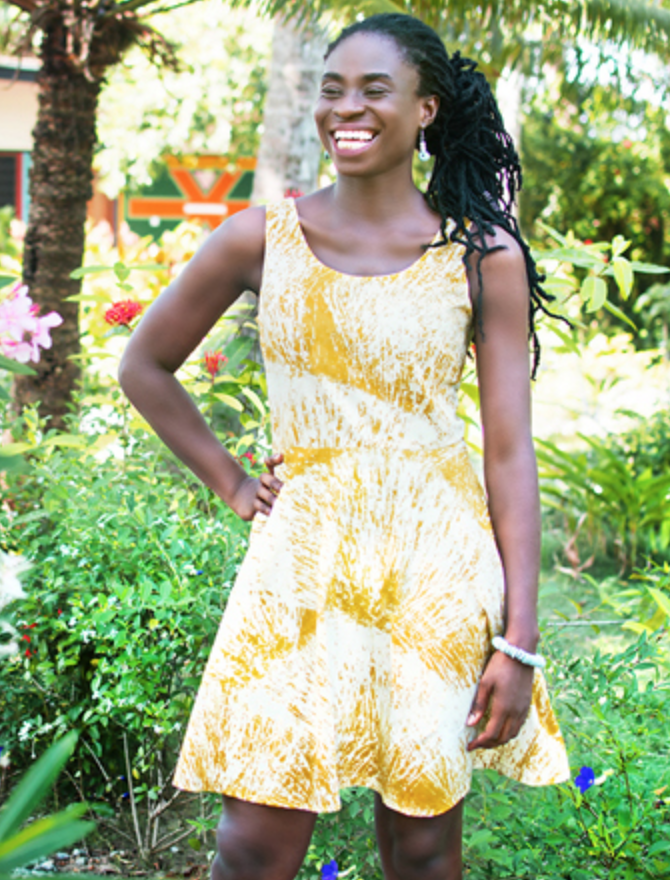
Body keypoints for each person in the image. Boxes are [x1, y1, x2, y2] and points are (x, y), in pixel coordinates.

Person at [119, 12, 570, 880]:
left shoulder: (481, 255)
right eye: (332, 90)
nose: (346, 109)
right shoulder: (260, 238)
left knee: (422, 842)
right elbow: (144, 365)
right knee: (253, 840)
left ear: (426, 109)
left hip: (435, 568)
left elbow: (510, 455)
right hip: (300, 568)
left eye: (374, 90)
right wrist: (233, 482)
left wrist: (519, 639)